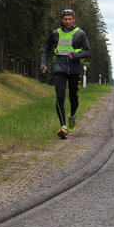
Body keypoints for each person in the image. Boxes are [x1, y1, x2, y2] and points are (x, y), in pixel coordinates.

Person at [41, 9, 91, 139]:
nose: (67, 21)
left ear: (74, 19)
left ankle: (72, 116)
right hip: (59, 70)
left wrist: (76, 55)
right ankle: (63, 126)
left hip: (74, 71)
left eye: (70, 19)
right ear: (62, 20)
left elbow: (88, 52)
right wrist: (44, 63)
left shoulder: (80, 33)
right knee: (60, 96)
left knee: (73, 99)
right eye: (65, 19)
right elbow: (46, 49)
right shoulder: (55, 34)